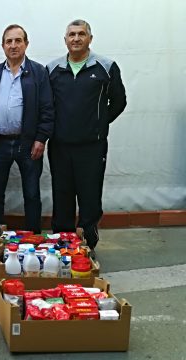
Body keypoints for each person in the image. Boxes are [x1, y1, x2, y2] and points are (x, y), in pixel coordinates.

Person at [46, 19, 126, 256]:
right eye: (71, 34)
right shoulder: (53, 69)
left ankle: (88, 242)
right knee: (62, 195)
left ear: (90, 38)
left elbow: (119, 102)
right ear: (65, 40)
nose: (76, 38)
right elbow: (47, 107)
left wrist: (98, 124)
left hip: (92, 146)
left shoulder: (106, 67)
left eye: (81, 34)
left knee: (90, 195)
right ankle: (63, 243)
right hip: (60, 146)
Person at [0, 24, 54, 254]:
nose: (13, 45)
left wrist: (41, 139)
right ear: (2, 46)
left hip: (28, 143)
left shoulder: (38, 72)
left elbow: (47, 109)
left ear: (26, 44)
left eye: (18, 40)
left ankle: (33, 236)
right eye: (8, 41)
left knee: (31, 192)